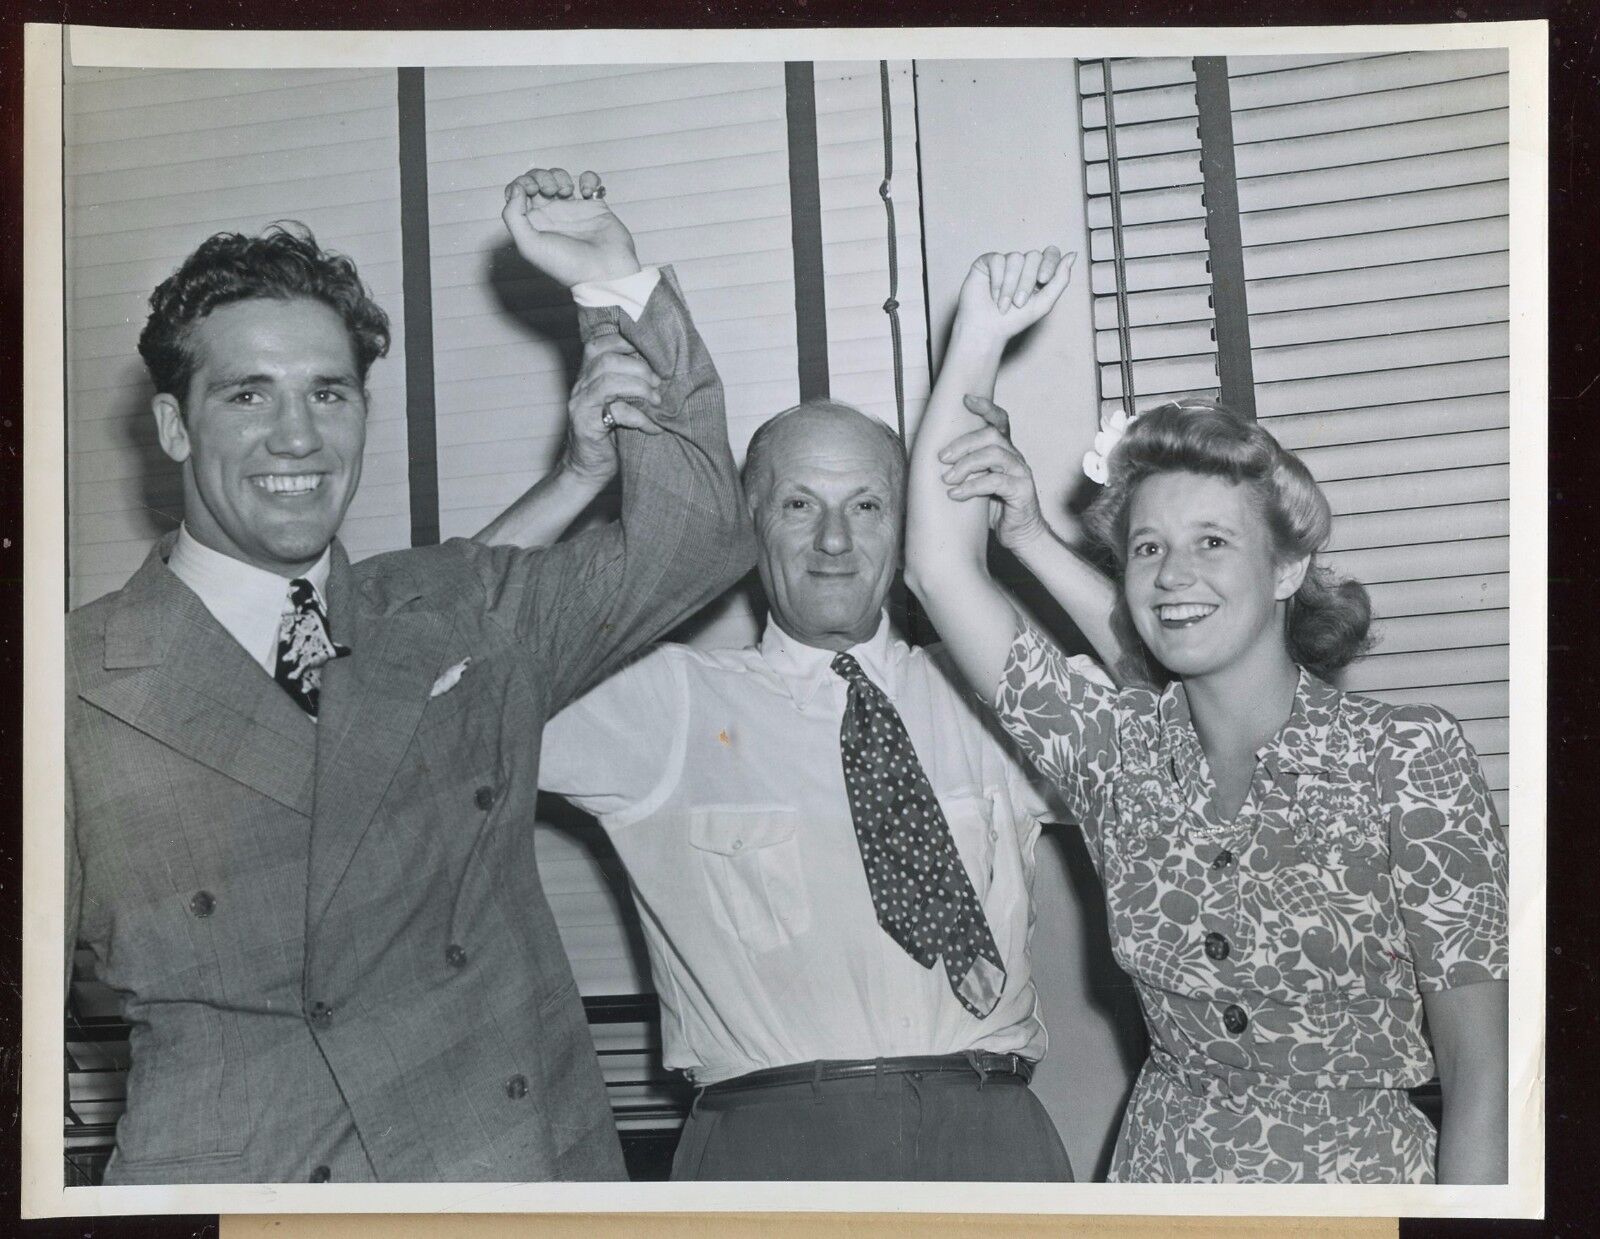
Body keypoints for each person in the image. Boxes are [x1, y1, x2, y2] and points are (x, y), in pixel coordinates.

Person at [64, 167, 754, 1183]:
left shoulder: (444, 612)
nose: (297, 437)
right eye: (248, 393)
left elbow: (695, 540)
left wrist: (612, 281)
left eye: (328, 392)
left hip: (510, 1174)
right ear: (174, 425)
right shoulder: (68, 683)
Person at [903, 246, 1510, 1183]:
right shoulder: (1115, 754)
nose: (1174, 575)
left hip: (1357, 1185)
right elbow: (938, 569)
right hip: (1163, 1179)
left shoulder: (1404, 755)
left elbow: (1482, 1068)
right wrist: (976, 337)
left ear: (1287, 567)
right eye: (1148, 546)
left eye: (1213, 542)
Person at [480, 375, 1135, 1180]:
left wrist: (1030, 535)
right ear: (748, 526)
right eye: (799, 505)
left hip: (990, 1138)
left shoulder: (996, 685)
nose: (834, 540)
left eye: (867, 506)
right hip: (770, 1150)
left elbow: (1182, 715)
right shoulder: (668, 705)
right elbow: (435, 671)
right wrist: (574, 482)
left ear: (908, 529)